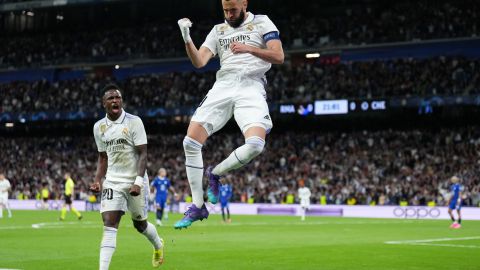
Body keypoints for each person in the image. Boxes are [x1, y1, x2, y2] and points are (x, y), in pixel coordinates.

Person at [175, 0, 284, 229]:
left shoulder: (262, 22)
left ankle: (215, 174)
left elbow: (278, 56)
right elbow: (199, 61)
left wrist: (250, 49)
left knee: (255, 144)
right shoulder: (218, 30)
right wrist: (186, 37)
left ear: (244, 4)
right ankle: (197, 206)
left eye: (233, 10)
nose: (228, 14)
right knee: (190, 142)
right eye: (225, 10)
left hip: (251, 85)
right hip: (223, 86)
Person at [90, 84, 164, 269]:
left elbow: (143, 153)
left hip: (134, 181)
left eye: (118, 97)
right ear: (103, 103)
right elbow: (102, 156)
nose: (115, 100)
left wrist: (138, 182)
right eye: (111, 98)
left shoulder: (134, 121)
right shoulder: (98, 127)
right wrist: (97, 180)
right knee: (109, 224)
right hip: (113, 181)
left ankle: (158, 245)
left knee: (140, 225)